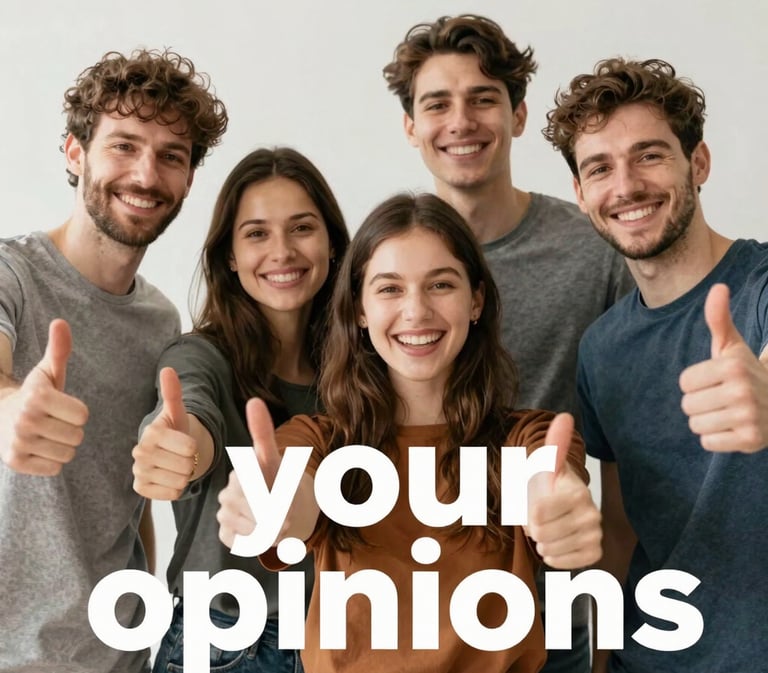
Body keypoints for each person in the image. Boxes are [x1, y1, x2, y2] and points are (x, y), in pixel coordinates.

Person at [217, 192, 603, 673]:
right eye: (389, 289)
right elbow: (293, 496)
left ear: (476, 299)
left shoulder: (527, 435)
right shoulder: (318, 441)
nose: (416, 312)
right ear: (359, 309)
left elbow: (546, 478)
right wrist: (267, 504)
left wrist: (556, 507)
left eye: (440, 285)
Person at [382, 15, 633, 670]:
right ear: (411, 127)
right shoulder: (383, 270)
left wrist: (604, 623)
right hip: (418, 619)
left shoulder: (592, 250)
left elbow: (623, 455)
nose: (461, 121)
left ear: (518, 116)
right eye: (437, 103)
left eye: (483, 99)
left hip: (552, 618)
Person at [0, 49, 227, 672]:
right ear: (75, 153)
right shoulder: (12, 274)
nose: (146, 175)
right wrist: (10, 407)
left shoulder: (161, 324)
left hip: (116, 658)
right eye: (124, 145)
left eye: (171, 157)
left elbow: (129, 500)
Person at [544, 57, 768, 672]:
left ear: (697, 164)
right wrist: (601, 658)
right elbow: (621, 527)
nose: (626, 186)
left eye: (649, 155)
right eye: (600, 168)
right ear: (582, 193)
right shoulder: (600, 348)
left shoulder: (759, 287)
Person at [132, 147, 350, 672]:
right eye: (256, 233)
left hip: (346, 640)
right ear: (229, 255)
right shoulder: (199, 357)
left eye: (302, 228)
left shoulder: (363, 368)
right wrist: (181, 448)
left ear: (332, 244)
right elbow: (190, 415)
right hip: (230, 644)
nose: (282, 252)